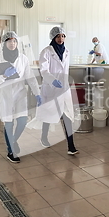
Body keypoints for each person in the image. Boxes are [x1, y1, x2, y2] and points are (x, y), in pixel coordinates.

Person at [0, 31, 41, 163]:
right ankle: (10, 151)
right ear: (4, 43)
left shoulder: (23, 58)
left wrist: (37, 93)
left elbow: (30, 78)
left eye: (14, 41)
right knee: (9, 122)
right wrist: (4, 76)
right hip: (4, 94)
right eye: (9, 41)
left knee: (23, 121)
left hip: (20, 93)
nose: (12, 43)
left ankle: (12, 141)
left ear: (17, 43)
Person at [36, 26, 79, 155]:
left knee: (67, 115)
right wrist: (52, 80)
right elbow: (43, 70)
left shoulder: (67, 51)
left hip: (64, 89)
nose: (61, 39)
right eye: (58, 36)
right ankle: (44, 137)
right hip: (51, 88)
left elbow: (65, 69)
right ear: (53, 37)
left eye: (63, 36)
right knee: (49, 114)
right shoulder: (46, 51)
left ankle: (71, 146)